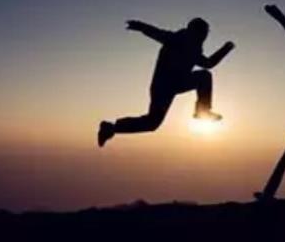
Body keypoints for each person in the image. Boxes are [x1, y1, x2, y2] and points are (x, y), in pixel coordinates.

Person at [98, 17, 235, 147]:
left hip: (178, 82)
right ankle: (111, 128)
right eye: (204, 32)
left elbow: (208, 63)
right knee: (152, 123)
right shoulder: (177, 39)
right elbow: (156, 33)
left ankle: (202, 110)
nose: (205, 36)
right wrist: (140, 26)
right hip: (163, 87)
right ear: (196, 32)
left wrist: (225, 49)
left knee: (204, 76)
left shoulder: (194, 49)